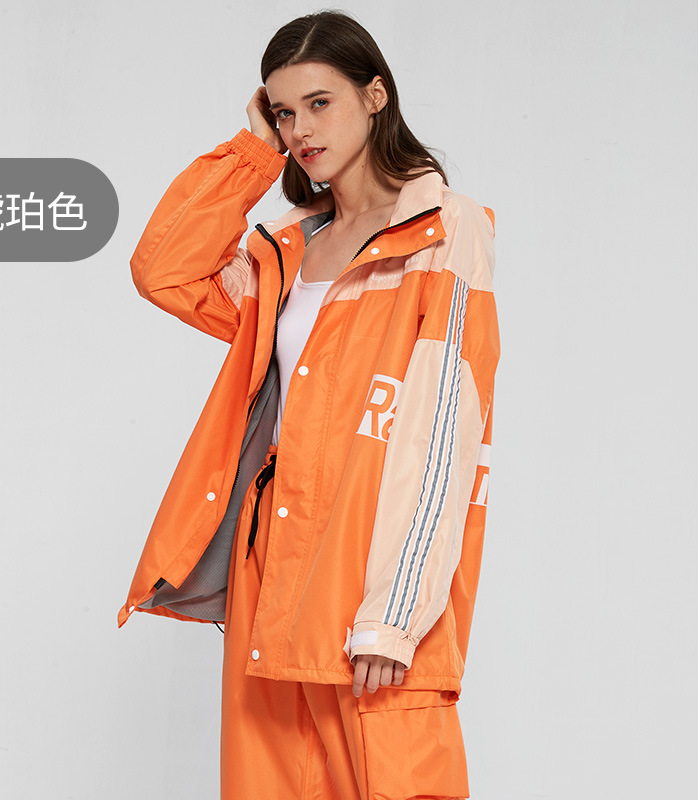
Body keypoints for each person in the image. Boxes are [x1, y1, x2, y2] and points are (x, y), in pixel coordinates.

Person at [119, 10, 499, 800]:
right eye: (285, 112)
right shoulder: (285, 250)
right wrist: (252, 151)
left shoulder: (442, 229)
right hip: (272, 568)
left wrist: (395, 611)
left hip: (366, 572)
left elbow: (442, 430)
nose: (301, 130)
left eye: (320, 103)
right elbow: (165, 271)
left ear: (375, 95)